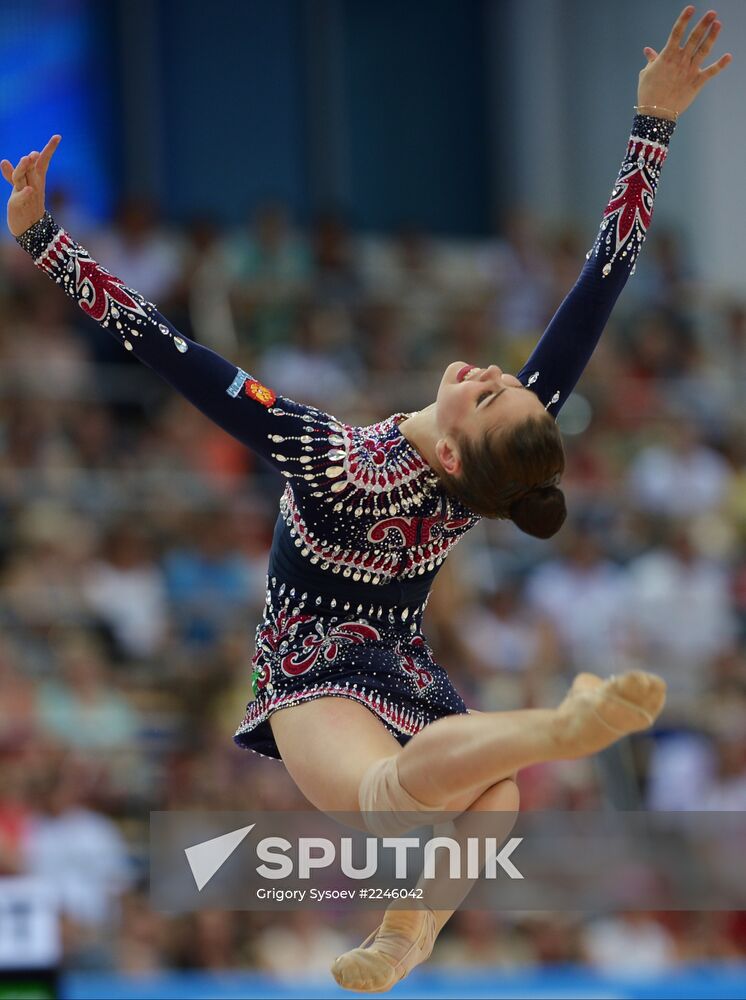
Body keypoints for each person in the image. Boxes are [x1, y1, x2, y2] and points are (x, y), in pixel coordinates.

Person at [2, 6, 731, 992]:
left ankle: (423, 909)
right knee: (462, 796)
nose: (485, 368)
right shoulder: (490, 468)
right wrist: (651, 126)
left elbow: (170, 350)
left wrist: (49, 244)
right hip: (363, 674)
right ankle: (531, 762)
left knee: (437, 799)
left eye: (487, 388)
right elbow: (600, 283)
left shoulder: (332, 454)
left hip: (325, 669)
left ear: (452, 440)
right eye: (501, 377)